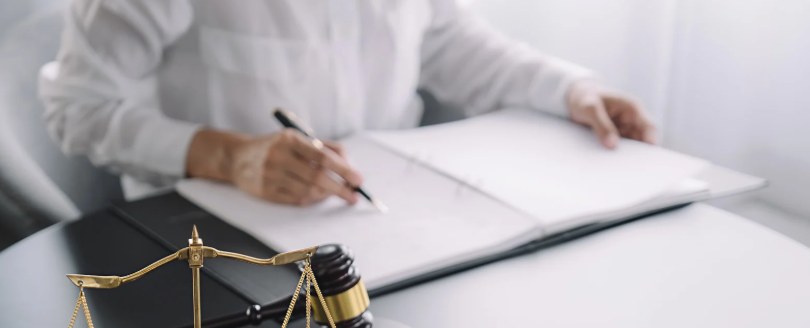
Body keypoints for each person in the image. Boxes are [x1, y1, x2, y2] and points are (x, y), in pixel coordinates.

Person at [40, 0, 656, 205]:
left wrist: (570, 88)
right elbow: (77, 105)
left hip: (382, 220)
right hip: (209, 248)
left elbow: (443, 38)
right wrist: (229, 157)